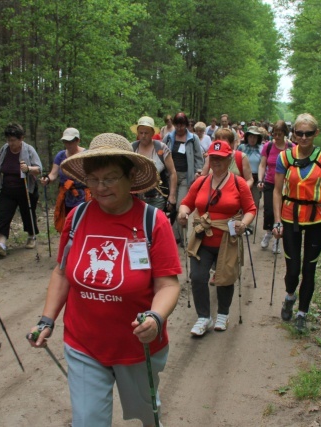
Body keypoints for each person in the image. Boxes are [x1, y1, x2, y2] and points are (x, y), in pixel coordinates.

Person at [27, 133, 181, 427]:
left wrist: (156, 317)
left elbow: (168, 284)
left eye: (110, 178)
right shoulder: (78, 217)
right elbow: (62, 272)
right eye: (94, 179)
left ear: (131, 176)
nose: (100, 187)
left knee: (147, 414)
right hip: (84, 343)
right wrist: (47, 320)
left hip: (138, 346)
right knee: (87, 421)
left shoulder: (153, 221)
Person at [178, 141, 256, 336]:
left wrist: (243, 225)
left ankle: (223, 313)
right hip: (202, 238)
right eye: (213, 157)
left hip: (227, 239)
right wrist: (183, 213)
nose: (216, 161)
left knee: (225, 277)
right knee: (197, 277)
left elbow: (250, 210)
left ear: (229, 159)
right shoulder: (201, 182)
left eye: (220, 158)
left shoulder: (239, 183)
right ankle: (203, 317)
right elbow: (186, 203)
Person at [272, 113, 321, 333]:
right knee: (293, 269)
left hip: (316, 219)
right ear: (294, 134)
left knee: (309, 269)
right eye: (299, 133)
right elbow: (276, 191)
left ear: (316, 133)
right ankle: (290, 296)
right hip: (289, 216)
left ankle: (302, 313)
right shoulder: (285, 158)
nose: (303, 137)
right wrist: (276, 222)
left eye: (308, 133)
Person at [0, 123, 42, 257]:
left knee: (27, 213)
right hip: (7, 189)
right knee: (4, 215)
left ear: (21, 138)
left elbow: (39, 169)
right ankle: (1, 245)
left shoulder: (29, 150)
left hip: (26, 188)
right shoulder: (4, 150)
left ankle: (31, 236)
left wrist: (28, 169)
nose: (10, 143)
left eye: (13, 140)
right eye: (8, 140)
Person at [162, 112, 204, 242]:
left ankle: (180, 235)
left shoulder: (193, 138)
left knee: (181, 205)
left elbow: (198, 156)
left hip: (186, 175)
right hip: (170, 176)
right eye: (177, 125)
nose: (180, 128)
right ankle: (176, 235)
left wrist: (199, 170)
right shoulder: (168, 138)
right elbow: (160, 151)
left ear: (186, 125)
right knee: (171, 205)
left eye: (182, 126)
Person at [40, 127, 90, 234]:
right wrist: (47, 179)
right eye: (65, 141)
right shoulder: (60, 155)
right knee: (67, 224)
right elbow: (53, 174)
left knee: (81, 223)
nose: (68, 144)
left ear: (77, 140)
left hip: (83, 195)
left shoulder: (86, 155)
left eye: (71, 141)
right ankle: (69, 247)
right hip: (66, 196)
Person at [258, 120, 293, 253]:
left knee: (282, 212)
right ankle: (268, 232)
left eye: (279, 134)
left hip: (286, 185)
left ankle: (278, 239)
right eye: (274, 134)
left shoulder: (291, 147)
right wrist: (260, 179)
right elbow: (262, 165)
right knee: (269, 210)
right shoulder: (268, 146)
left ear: (285, 134)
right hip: (270, 182)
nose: (276, 137)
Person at [131, 116, 178, 211]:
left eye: (146, 133)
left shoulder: (161, 148)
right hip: (135, 197)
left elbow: (172, 173)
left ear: (152, 133)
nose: (143, 136)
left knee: (153, 222)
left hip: (157, 197)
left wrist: (172, 196)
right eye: (141, 133)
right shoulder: (131, 148)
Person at [238, 126, 264, 217]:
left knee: (254, 202)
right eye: (251, 136)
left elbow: (264, 164)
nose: (252, 139)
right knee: (241, 201)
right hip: (243, 179)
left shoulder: (262, 148)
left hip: (257, 178)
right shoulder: (242, 147)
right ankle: (240, 223)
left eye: (255, 137)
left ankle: (248, 224)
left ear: (258, 138)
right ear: (247, 137)